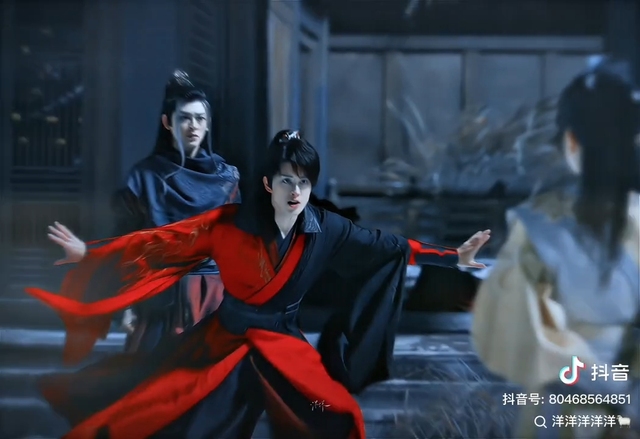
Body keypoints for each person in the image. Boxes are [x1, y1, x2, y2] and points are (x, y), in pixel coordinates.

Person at [26, 130, 490, 439]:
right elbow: (159, 241)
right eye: (286, 181)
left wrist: (453, 257)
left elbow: (391, 246)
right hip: (224, 341)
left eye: (304, 183)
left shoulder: (326, 227)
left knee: (334, 415)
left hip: (281, 343)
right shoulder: (227, 224)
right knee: (181, 417)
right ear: (268, 183)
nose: (295, 192)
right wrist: (91, 253)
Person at [471, 69, 640, 439]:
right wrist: (626, 394)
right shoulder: (541, 227)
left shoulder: (537, 228)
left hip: (563, 403)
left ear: (570, 142)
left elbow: (509, 337)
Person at [50, 70, 240, 355]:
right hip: (158, 298)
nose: (193, 126)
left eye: (200, 118)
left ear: (208, 124)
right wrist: (92, 258)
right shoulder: (145, 177)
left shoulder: (227, 178)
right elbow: (127, 241)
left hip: (212, 296)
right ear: (167, 122)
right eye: (184, 118)